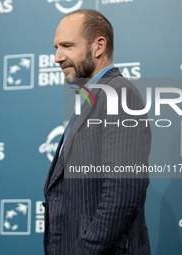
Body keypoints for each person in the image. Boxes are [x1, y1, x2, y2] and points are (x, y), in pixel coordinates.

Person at [43, 9, 151, 255]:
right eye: (56, 47)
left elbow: (123, 192)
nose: (57, 58)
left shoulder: (119, 95)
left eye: (67, 46)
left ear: (98, 46)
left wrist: (85, 250)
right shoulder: (93, 97)